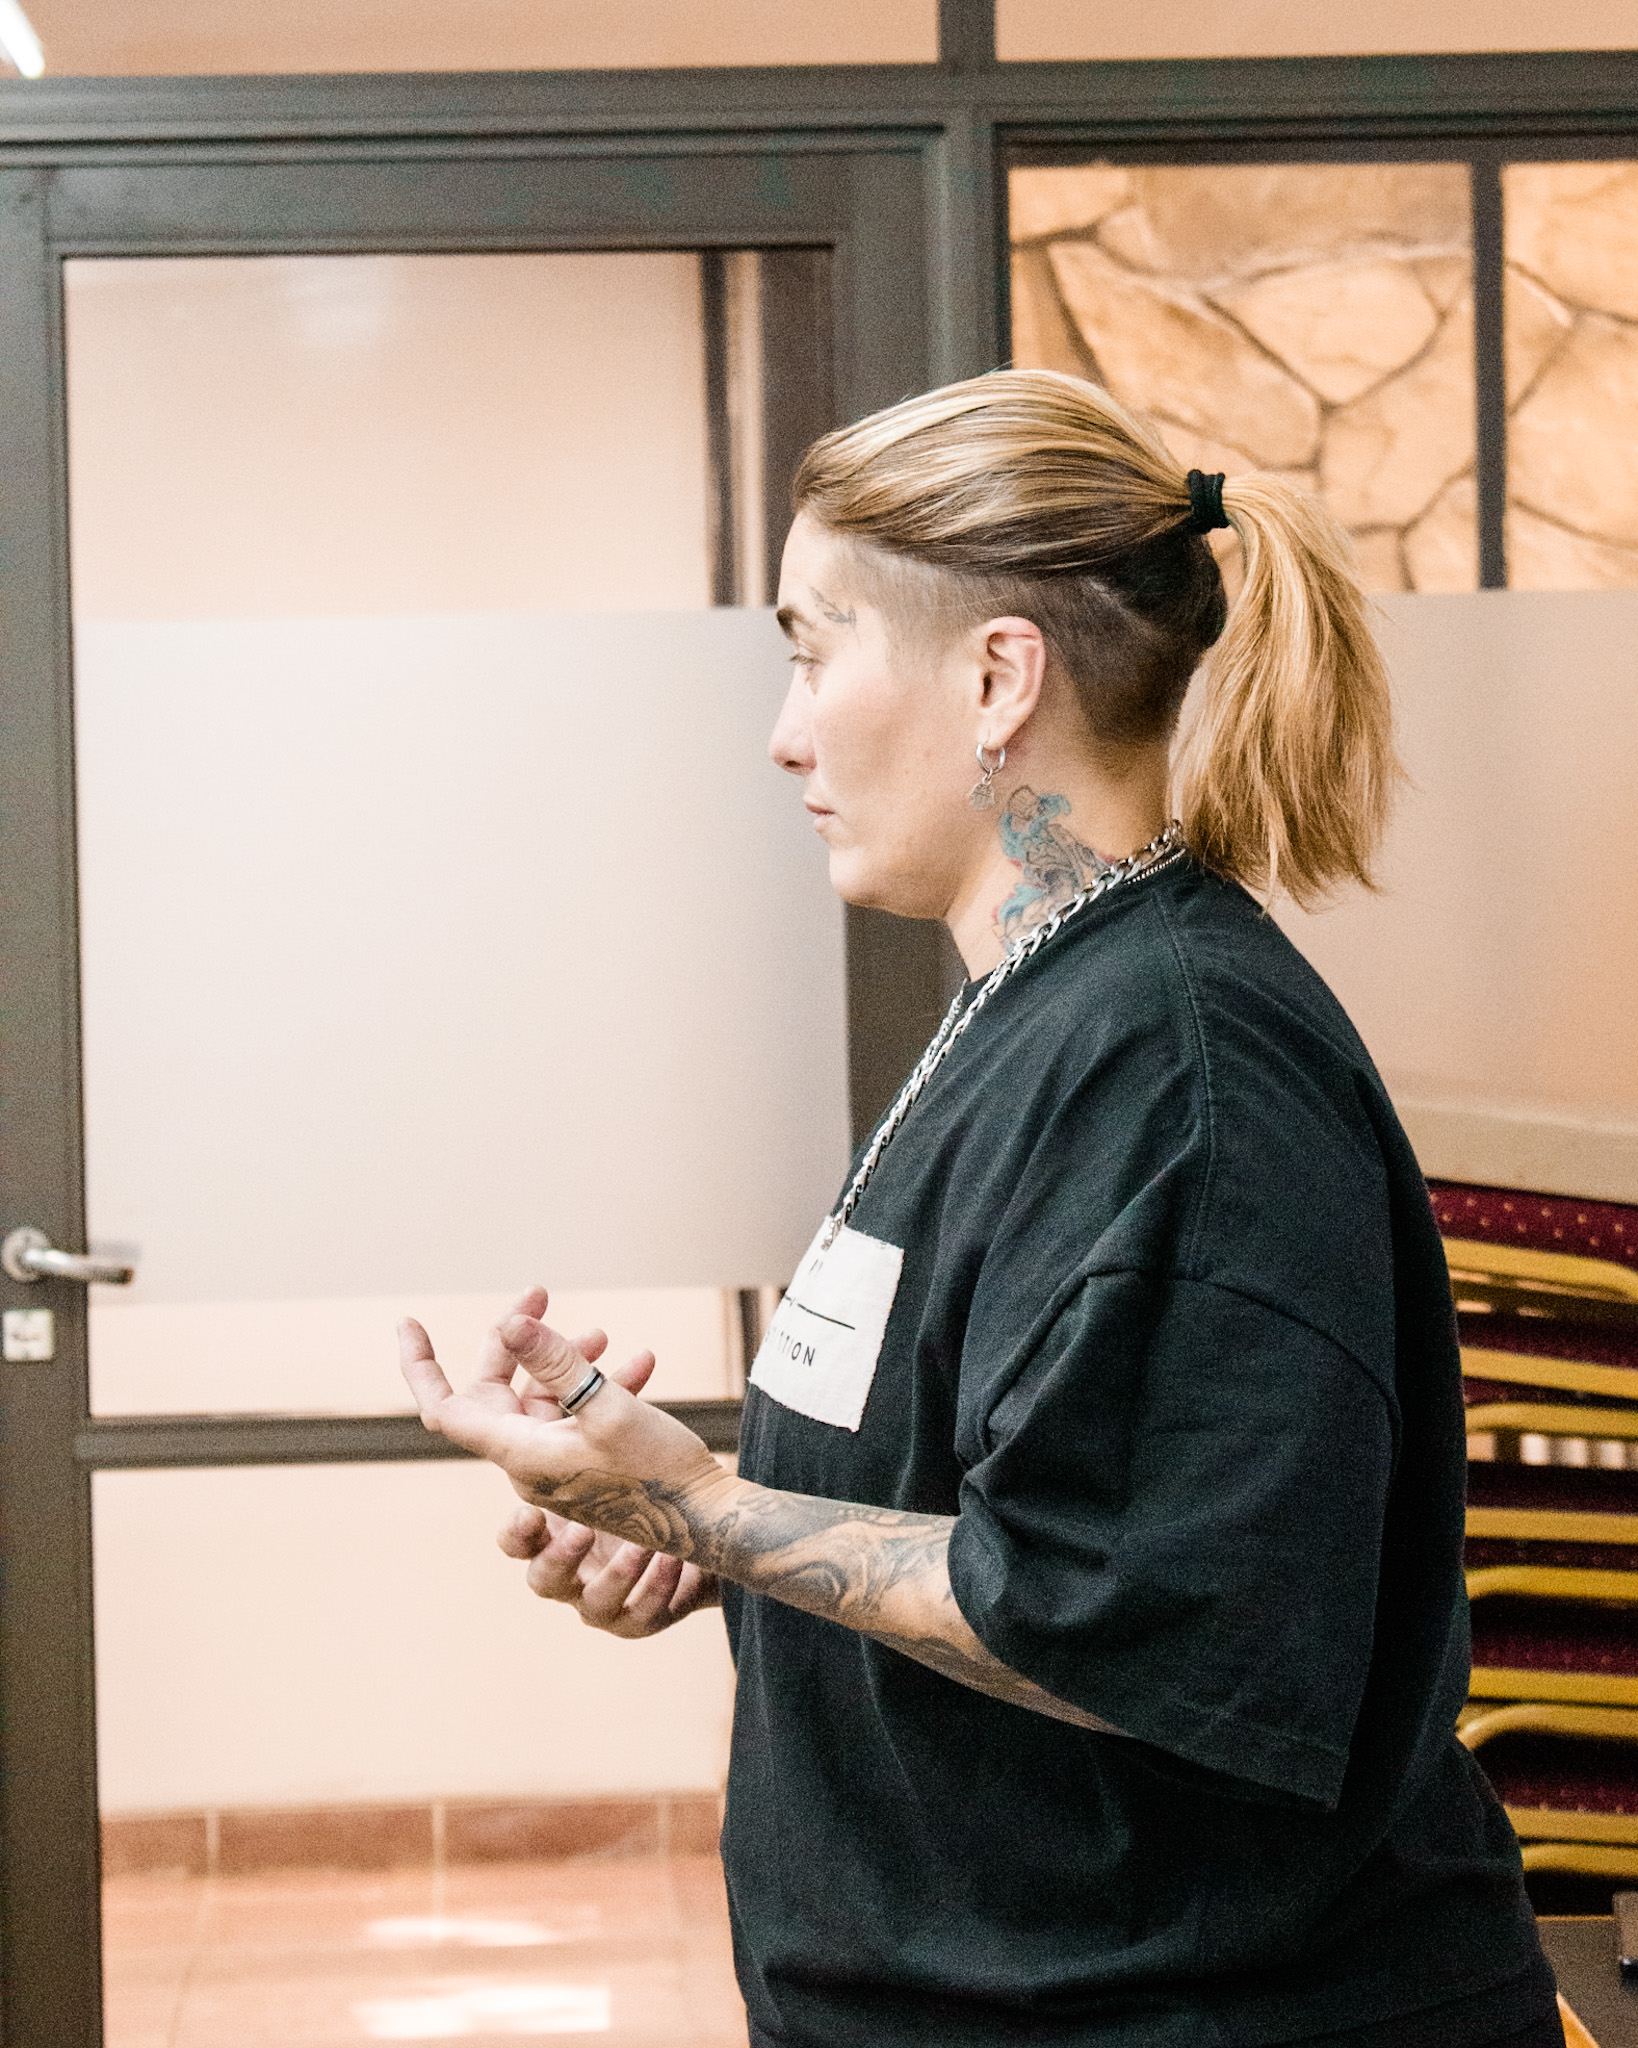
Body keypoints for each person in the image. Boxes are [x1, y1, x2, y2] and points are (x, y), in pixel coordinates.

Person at [398, 370, 1562, 2048]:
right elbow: (1004, 1485)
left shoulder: (1181, 1070)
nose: (784, 731)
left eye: (813, 651)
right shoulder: (1035, 1010)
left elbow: (1130, 1620)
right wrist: (683, 1523)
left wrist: (708, 1509)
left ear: (997, 678)